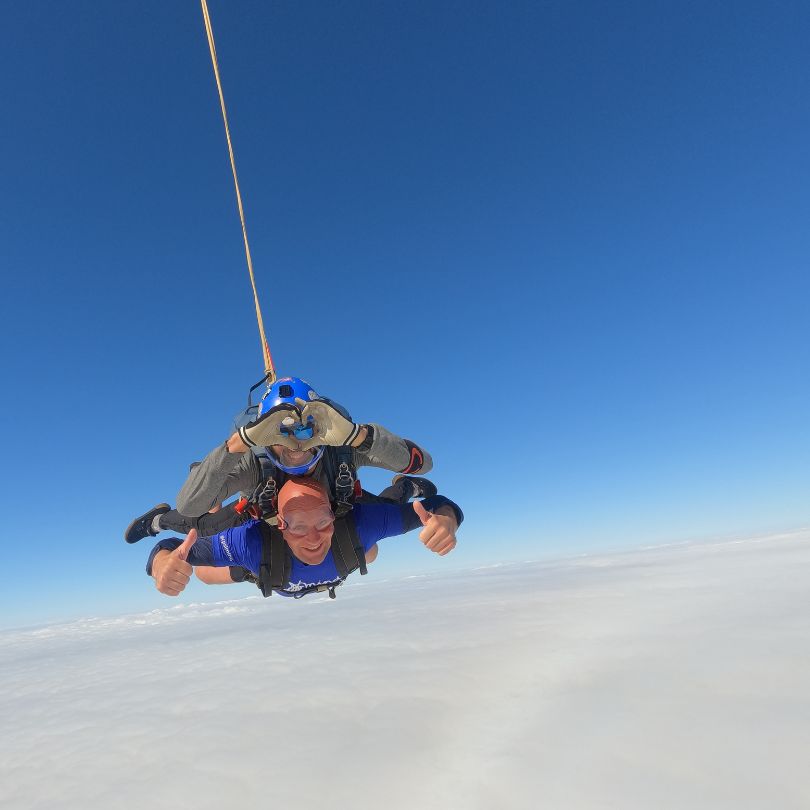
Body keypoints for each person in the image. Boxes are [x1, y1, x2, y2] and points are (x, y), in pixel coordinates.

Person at [124, 376, 435, 544]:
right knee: (205, 526)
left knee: (387, 514)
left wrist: (358, 435)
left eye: (307, 432)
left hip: (332, 510)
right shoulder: (254, 463)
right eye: (280, 435)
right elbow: (191, 504)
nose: (296, 447)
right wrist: (238, 444)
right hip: (265, 513)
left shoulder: (343, 448)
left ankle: (406, 489)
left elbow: (422, 462)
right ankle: (156, 520)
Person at [147, 477, 462, 599]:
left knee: (375, 540)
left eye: (324, 522)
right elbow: (174, 550)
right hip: (264, 567)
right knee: (204, 574)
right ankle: (164, 516)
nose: (313, 538)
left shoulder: (358, 525)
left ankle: (404, 485)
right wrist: (162, 563)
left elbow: (438, 506)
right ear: (280, 525)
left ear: (334, 515)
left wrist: (446, 520)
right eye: (298, 527)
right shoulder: (251, 543)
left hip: (333, 556)